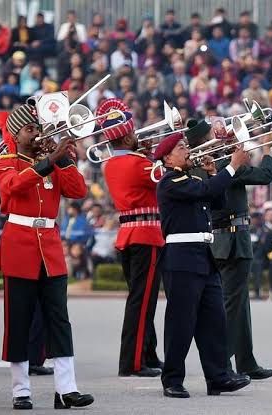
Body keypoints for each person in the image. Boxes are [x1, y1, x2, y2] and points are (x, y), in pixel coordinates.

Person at [0, 105, 93, 409]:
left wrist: (62, 159)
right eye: (30, 130)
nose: (36, 134)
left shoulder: (49, 161)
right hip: (19, 247)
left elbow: (78, 191)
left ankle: (66, 389)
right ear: (15, 134)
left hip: (49, 248)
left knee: (59, 320)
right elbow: (13, 186)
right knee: (19, 321)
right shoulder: (5, 162)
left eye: (38, 129)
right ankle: (21, 390)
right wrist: (49, 161)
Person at [154, 133, 252, 398]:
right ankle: (172, 379)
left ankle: (218, 376)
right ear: (167, 157)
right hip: (182, 257)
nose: (188, 151)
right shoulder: (169, 182)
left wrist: (211, 174)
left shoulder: (192, 180)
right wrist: (231, 167)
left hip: (203, 256)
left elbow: (216, 201)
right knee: (181, 323)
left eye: (186, 146)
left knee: (214, 320)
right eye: (182, 147)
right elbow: (205, 192)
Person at [185, 118, 272, 380]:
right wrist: (268, 148)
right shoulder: (224, 166)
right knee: (232, 306)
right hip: (233, 241)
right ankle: (223, 365)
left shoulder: (200, 166)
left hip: (224, 240)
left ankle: (246, 362)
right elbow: (265, 176)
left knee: (239, 304)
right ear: (206, 141)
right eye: (216, 135)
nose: (223, 137)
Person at [96, 98, 164, 377]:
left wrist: (146, 155)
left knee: (142, 299)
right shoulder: (139, 164)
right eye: (134, 132)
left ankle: (148, 354)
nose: (139, 136)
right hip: (146, 235)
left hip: (129, 234)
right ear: (126, 135)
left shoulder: (111, 164)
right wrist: (155, 155)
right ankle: (133, 362)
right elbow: (169, 173)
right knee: (142, 301)